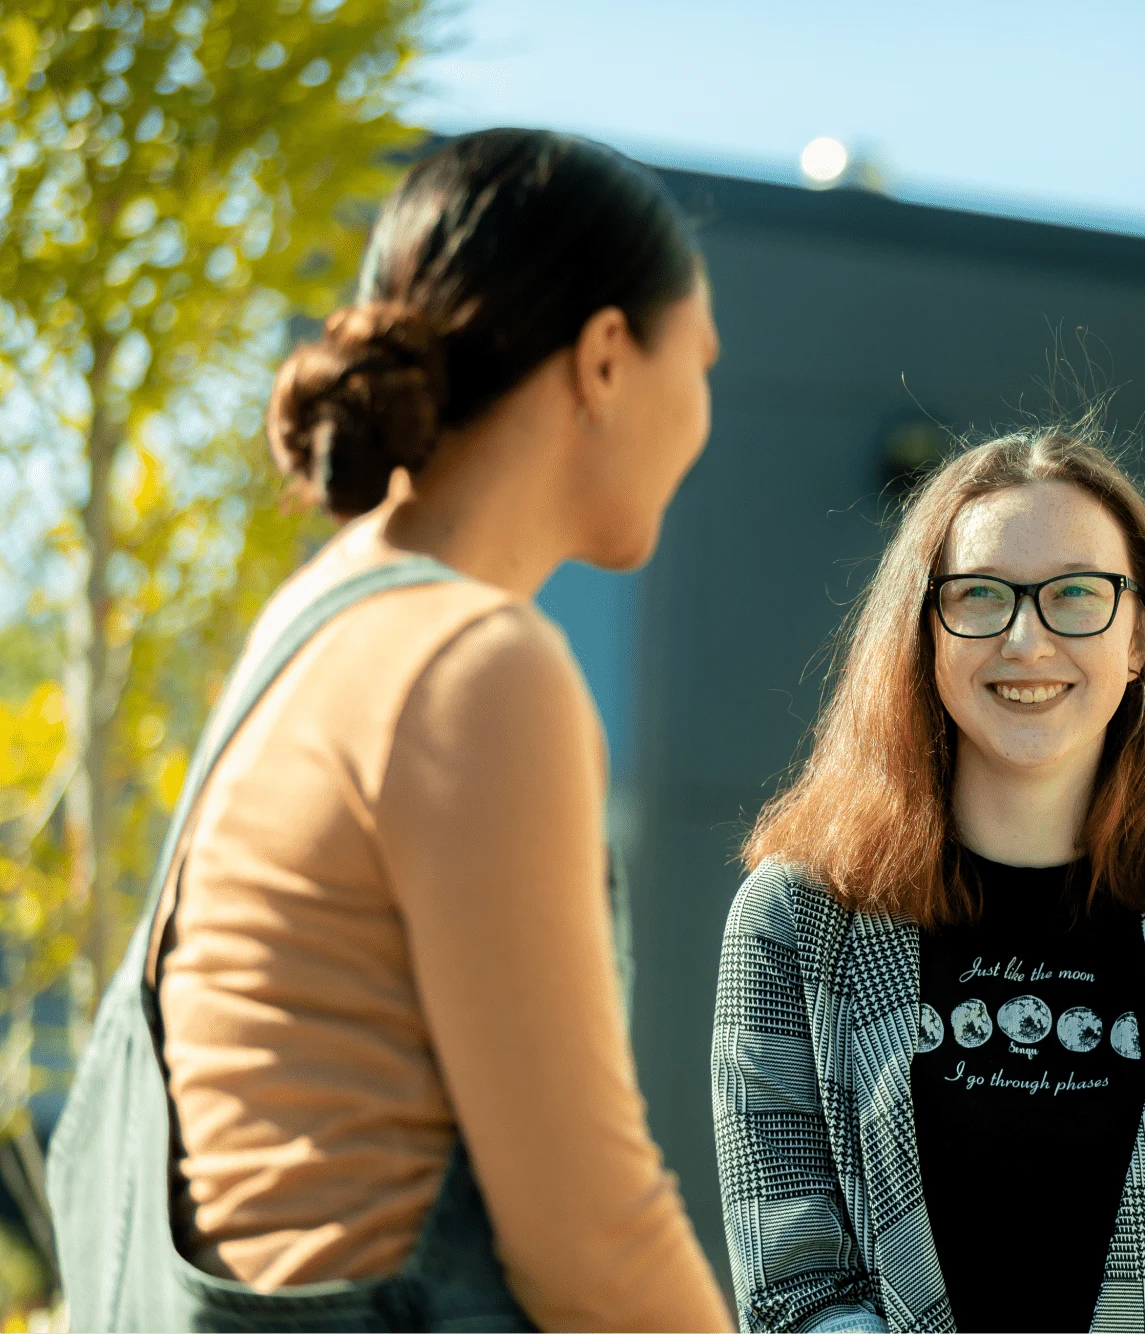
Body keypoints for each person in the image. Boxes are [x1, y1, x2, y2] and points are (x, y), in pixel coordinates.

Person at [49, 129, 735, 1333]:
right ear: (609, 359)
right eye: (705, 363)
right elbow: (593, 1244)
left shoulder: (309, 622)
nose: (707, 417)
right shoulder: (473, 666)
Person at [712, 427, 1145, 1334]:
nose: (1028, 638)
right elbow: (795, 1292)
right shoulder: (798, 924)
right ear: (925, 632)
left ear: (1141, 637)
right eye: (981, 596)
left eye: (1078, 594)